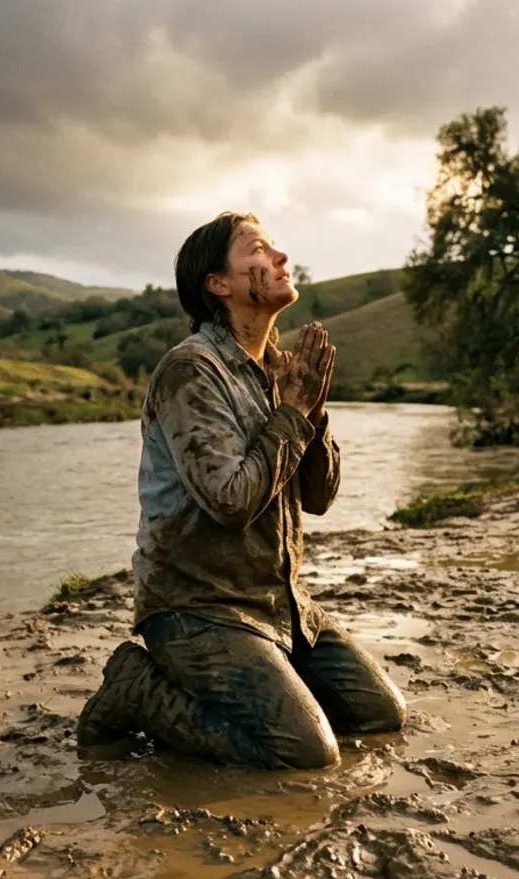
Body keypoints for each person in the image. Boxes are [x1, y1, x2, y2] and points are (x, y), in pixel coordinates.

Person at [74, 212, 407, 770]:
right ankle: (137, 689)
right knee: (305, 752)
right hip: (196, 610)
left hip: (279, 606)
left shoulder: (276, 371)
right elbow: (230, 500)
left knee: (381, 714)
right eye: (258, 248)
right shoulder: (191, 371)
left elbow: (320, 497)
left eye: (275, 246)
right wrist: (294, 413)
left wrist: (311, 411)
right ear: (218, 284)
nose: (280, 257)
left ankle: (268, 683)